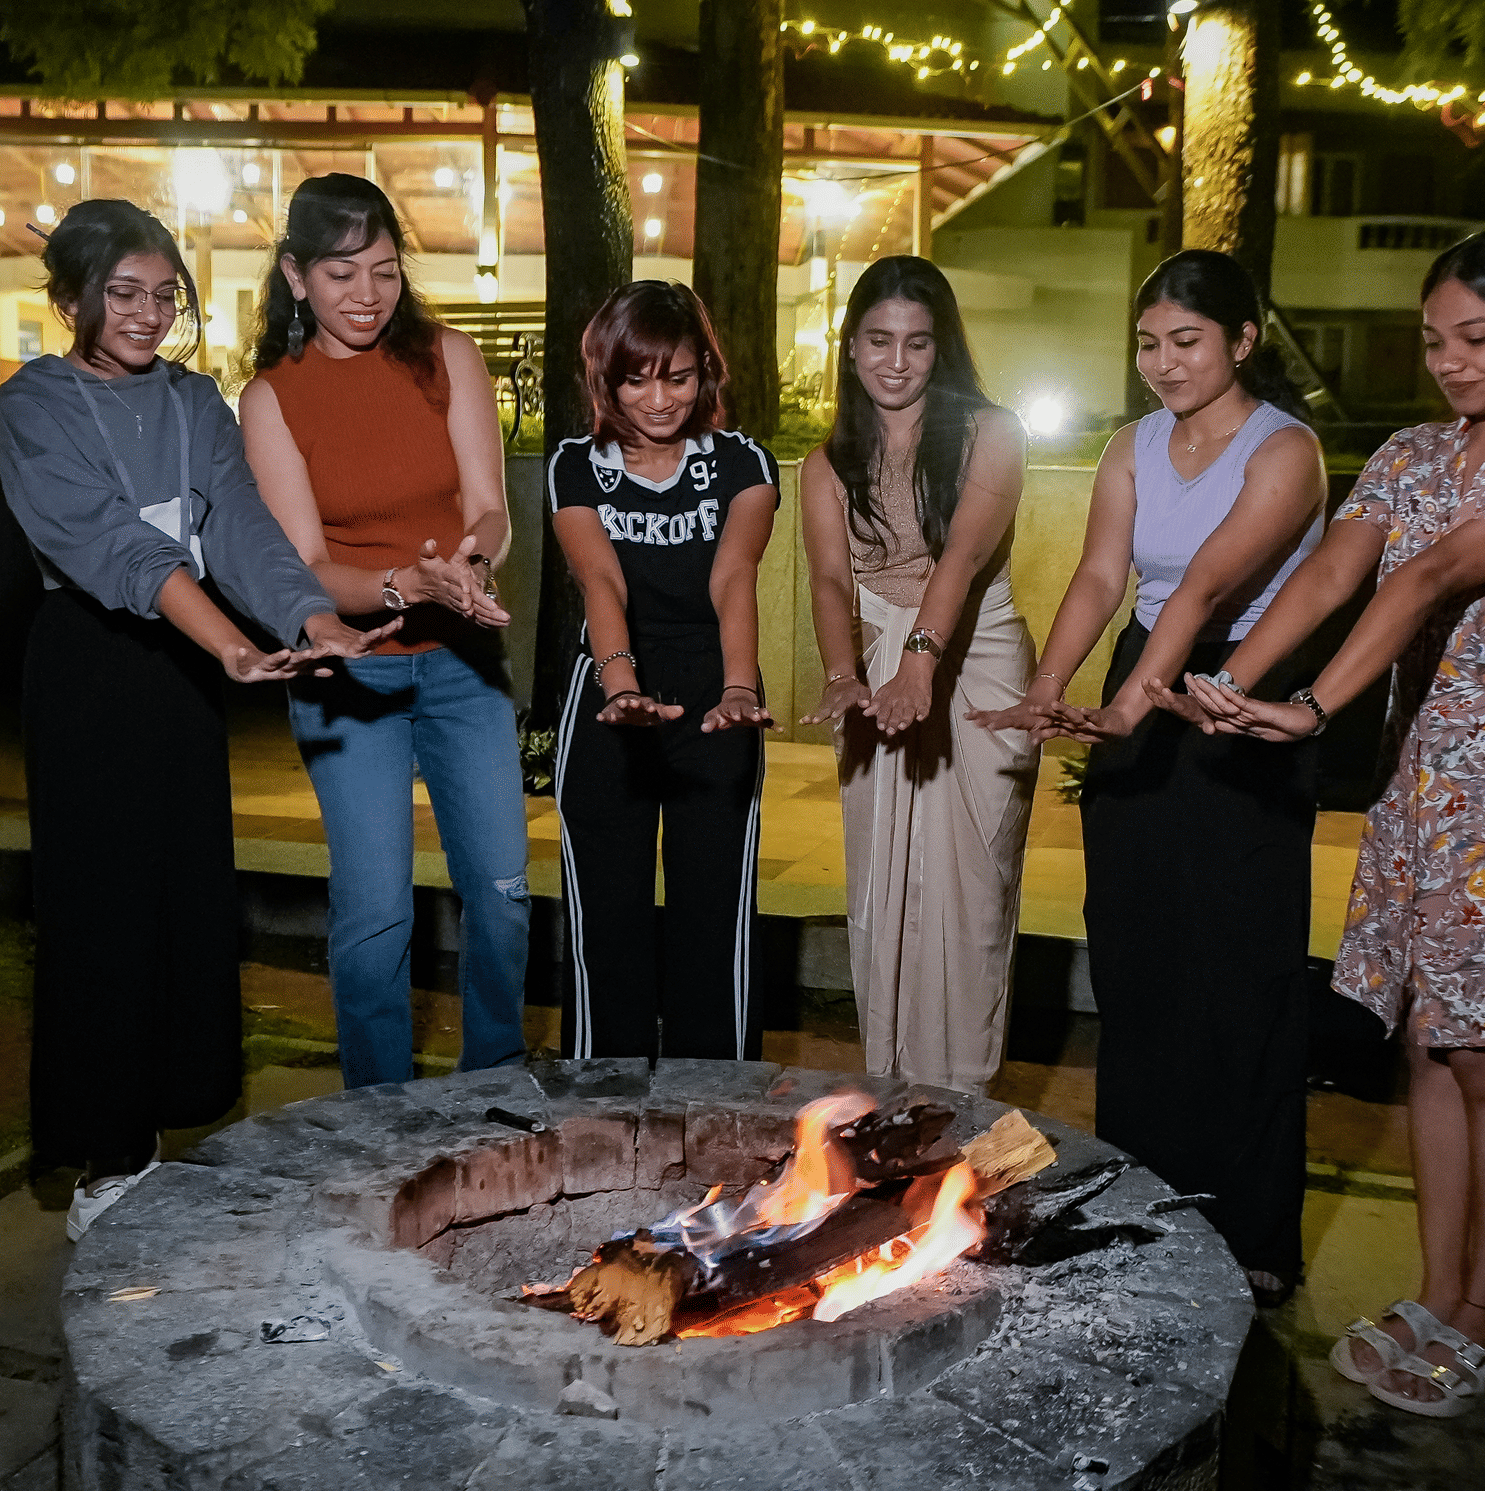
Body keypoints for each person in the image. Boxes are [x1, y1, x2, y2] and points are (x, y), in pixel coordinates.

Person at [1160, 227, 1485, 1414]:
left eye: (1477, 338)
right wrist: (1227, 679)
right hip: (1422, 790)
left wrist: (1305, 705)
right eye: (1432, 341)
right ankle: (1436, 1293)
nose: (1449, 363)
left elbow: (1426, 579)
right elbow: (1331, 571)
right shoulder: (1411, 451)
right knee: (1422, 1044)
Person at [0, 199, 389, 1240]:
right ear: (73, 296)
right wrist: (225, 640)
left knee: (184, 899)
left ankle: (169, 1123)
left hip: (180, 667)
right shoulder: (35, 402)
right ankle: (105, 1159)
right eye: (122, 293)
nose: (147, 314)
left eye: (164, 295)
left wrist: (314, 617)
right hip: (88, 665)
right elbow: (117, 547)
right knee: (101, 909)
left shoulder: (193, 401)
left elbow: (244, 527)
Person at [975, 249, 1326, 1302]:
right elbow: (1098, 574)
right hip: (1146, 673)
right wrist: (1050, 688)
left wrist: (1133, 706)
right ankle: (1140, 1194)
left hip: (1242, 694)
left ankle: (1254, 1231)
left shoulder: (1287, 451)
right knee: (1135, 951)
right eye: (1147, 344)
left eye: (1186, 342)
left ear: (1241, 341)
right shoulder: (1133, 444)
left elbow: (1210, 580)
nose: (1163, 365)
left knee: (1241, 962)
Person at [239, 174, 530, 1091]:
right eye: (340, 273)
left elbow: (489, 510)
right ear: (295, 277)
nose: (367, 295)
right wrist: (409, 583)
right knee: (374, 919)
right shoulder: (272, 397)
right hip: (349, 677)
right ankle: (379, 1126)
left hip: (463, 666)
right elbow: (305, 569)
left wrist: (468, 572)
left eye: (384, 271)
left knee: (503, 897)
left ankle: (494, 1094)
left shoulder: (450, 357)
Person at [799, 255, 1038, 1097]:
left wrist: (918, 663)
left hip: (976, 657)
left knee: (974, 886)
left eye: (917, 343)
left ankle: (964, 1098)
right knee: (883, 885)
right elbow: (830, 579)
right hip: (880, 661)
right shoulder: (826, 462)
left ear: (944, 350)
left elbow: (964, 555)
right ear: (851, 345)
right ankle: (890, 1093)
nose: (895, 361)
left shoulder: (992, 431)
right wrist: (841, 670)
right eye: (877, 340)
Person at [548, 281, 779, 1061]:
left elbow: (733, 572)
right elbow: (600, 579)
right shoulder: (577, 465)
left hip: (718, 695)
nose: (658, 398)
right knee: (608, 922)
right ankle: (601, 1111)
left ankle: (718, 1112)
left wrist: (741, 685)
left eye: (677, 376)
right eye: (636, 378)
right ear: (605, 379)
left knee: (710, 921)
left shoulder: (740, 461)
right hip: (611, 692)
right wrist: (621, 688)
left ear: (703, 374)